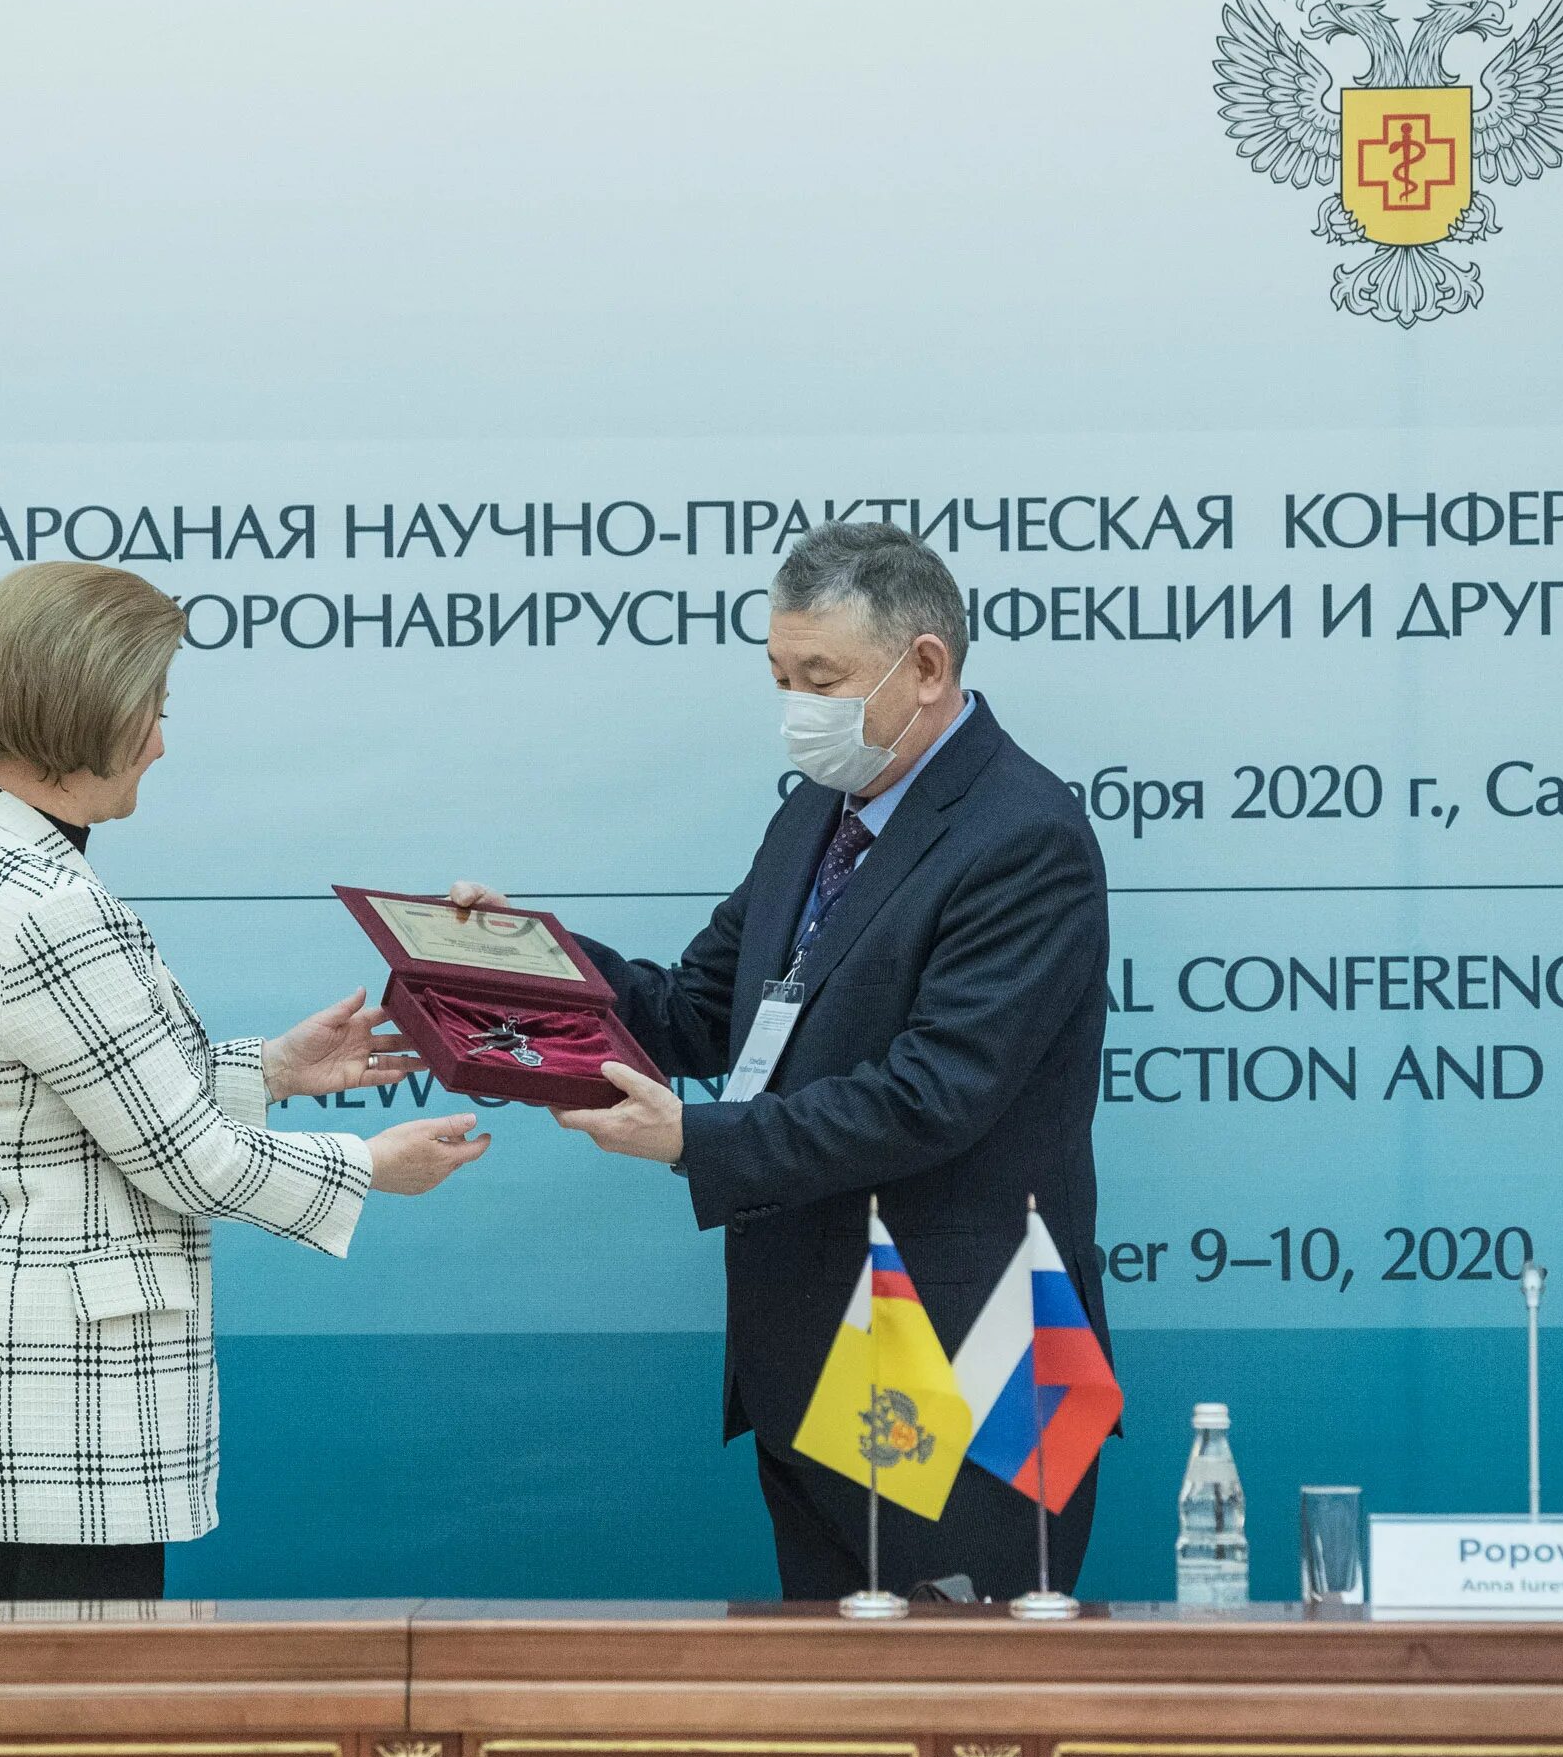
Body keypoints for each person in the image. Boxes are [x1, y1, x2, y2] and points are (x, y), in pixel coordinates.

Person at [449, 522, 1113, 1601]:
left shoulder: (1022, 835)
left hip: (968, 1359)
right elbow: (702, 1006)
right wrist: (530, 964)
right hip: (814, 1353)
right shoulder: (822, 808)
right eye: (780, 674)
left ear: (928, 665)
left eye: (823, 677)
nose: (797, 706)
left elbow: (932, 1095)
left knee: (967, 1722)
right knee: (842, 1722)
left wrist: (691, 1139)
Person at [0, 561, 490, 1603]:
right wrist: (368, 1166)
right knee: (72, 1740)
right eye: (150, 708)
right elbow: (190, 1163)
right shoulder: (54, 907)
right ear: (87, 710)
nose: (160, 740)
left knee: (16, 1734)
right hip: (55, 1402)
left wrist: (274, 1070)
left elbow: (53, 1101)